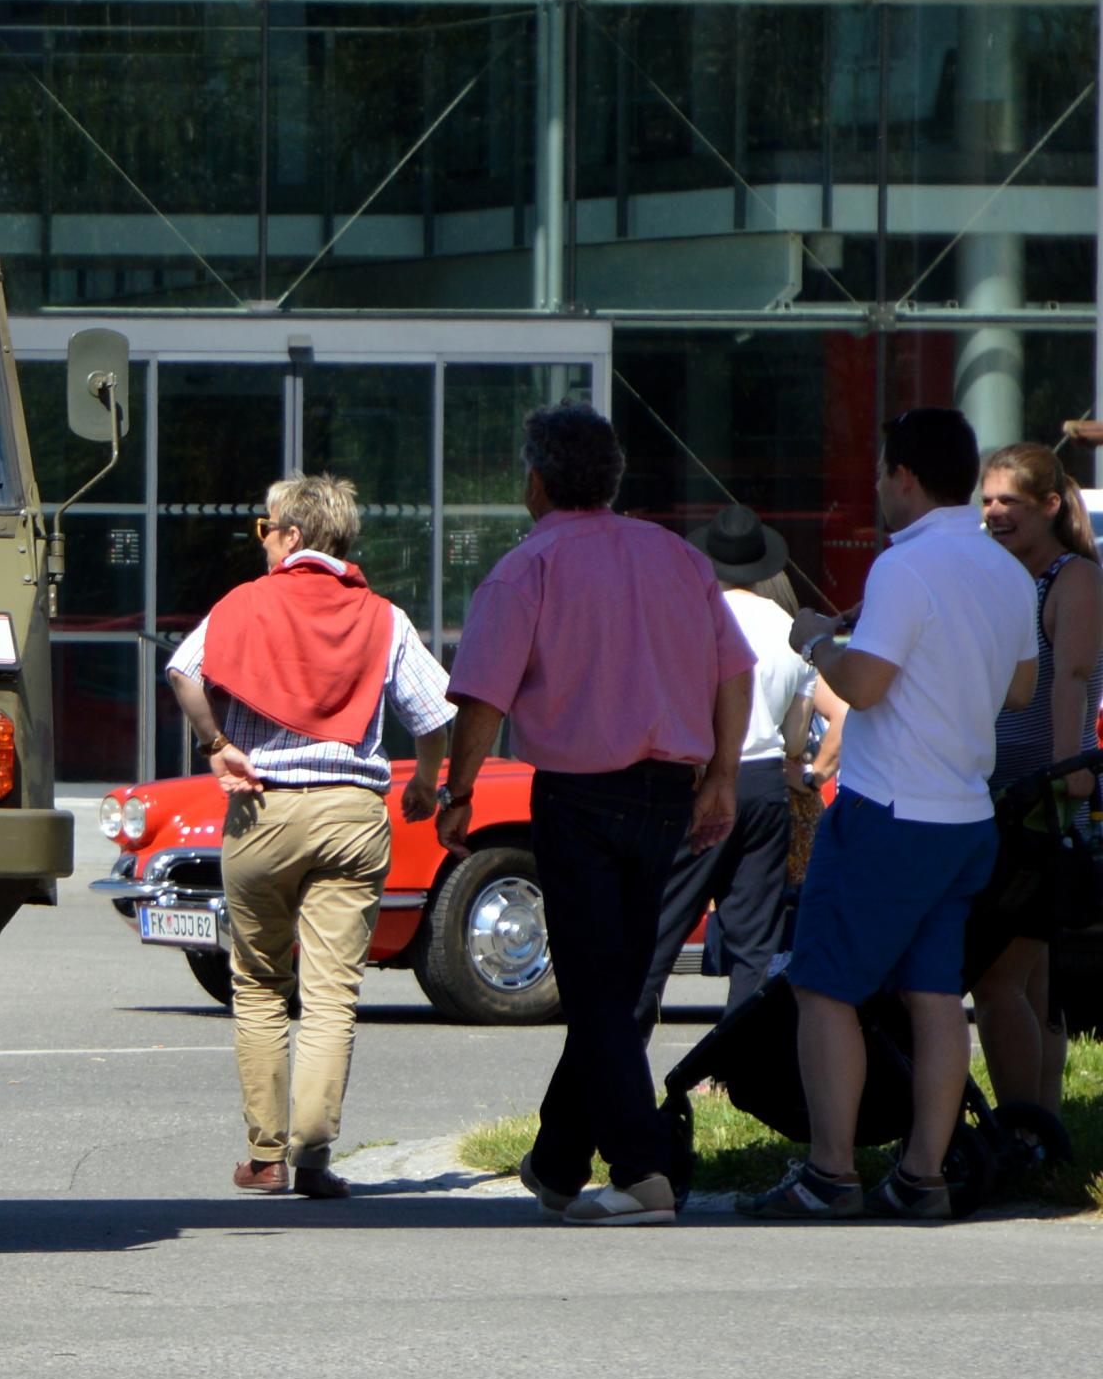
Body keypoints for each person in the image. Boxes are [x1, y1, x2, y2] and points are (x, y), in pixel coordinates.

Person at [440, 404, 751, 1224]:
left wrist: (458, 792)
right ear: (611, 480)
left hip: (579, 792)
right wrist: (723, 773)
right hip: (667, 790)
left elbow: (482, 697)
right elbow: (735, 669)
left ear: (536, 482)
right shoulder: (678, 557)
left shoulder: (528, 567)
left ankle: (642, 1170)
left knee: (595, 990)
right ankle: (556, 1160)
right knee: (612, 984)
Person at [743, 410, 1035, 1221]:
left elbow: (863, 688)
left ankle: (830, 1172)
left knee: (823, 985)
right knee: (934, 995)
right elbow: (1019, 689)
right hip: (965, 813)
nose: (876, 486)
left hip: (890, 808)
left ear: (905, 475)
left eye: (880, 472)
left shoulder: (903, 566)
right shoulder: (1007, 567)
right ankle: (921, 1173)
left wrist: (815, 641)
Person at [163, 474, 456, 1200]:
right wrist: (425, 781)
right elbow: (434, 714)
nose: (262, 541)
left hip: (262, 809)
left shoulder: (242, 604)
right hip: (352, 814)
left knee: (261, 983)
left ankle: (265, 1158)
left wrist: (216, 745)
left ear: (292, 536)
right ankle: (316, 1156)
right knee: (331, 995)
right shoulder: (384, 618)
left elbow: (183, 671)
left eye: (267, 530)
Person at [629, 505, 819, 1031]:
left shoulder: (693, 614)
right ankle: (741, 1063)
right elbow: (797, 736)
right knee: (755, 943)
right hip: (766, 783)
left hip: (700, 778)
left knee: (661, 926)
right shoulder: (790, 627)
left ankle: (624, 1052)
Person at [967, 441, 1098, 1192]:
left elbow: (1072, 678)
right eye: (986, 500)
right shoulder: (1000, 574)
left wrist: (1062, 774)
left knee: (997, 979)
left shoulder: (1073, 577)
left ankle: (1023, 1137)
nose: (994, 513)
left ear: (1050, 505)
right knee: (1032, 979)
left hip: (1038, 799)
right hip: (996, 791)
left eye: (1009, 501)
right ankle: (1046, 1133)